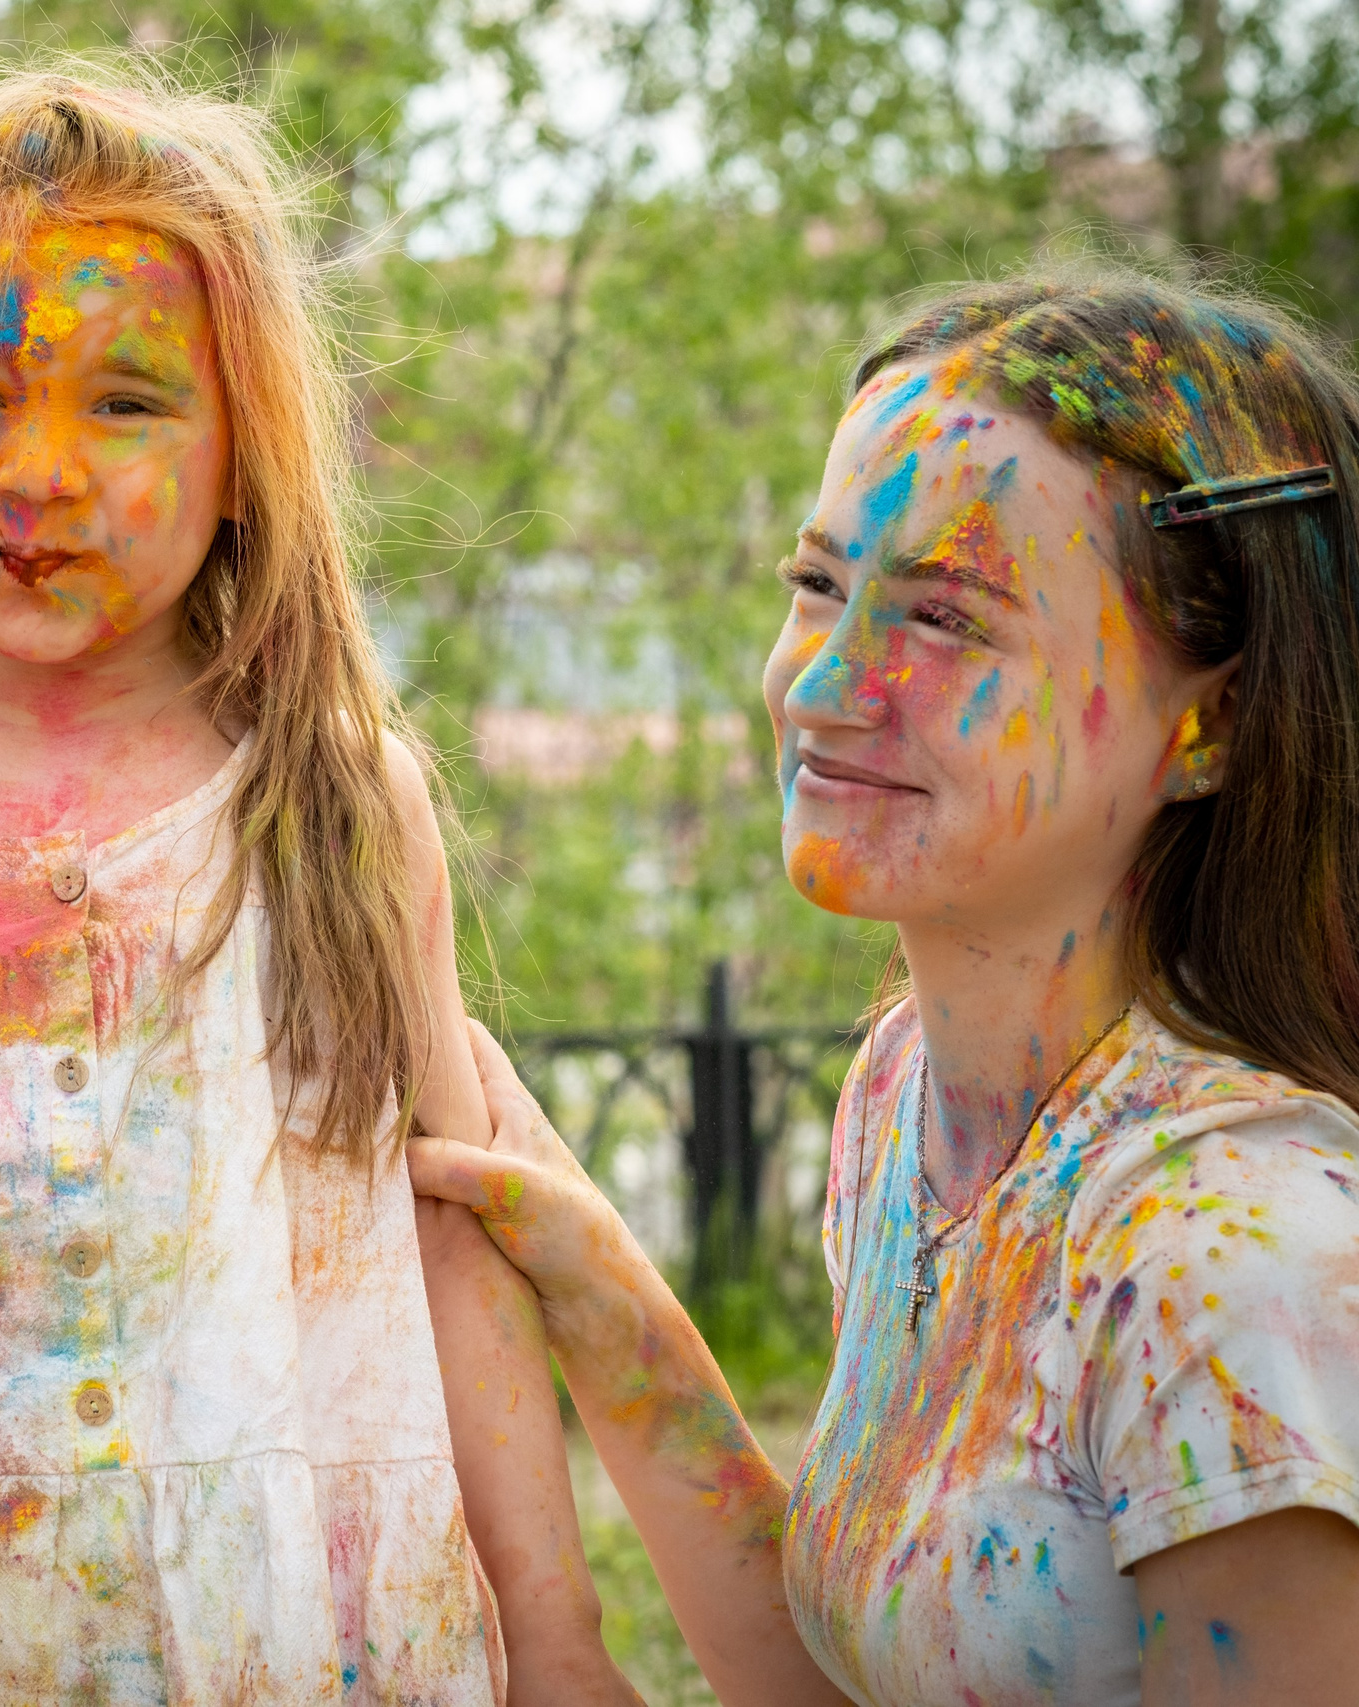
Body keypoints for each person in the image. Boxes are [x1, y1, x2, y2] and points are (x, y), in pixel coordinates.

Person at [0, 64, 634, 1704]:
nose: (36, 469)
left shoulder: (335, 805)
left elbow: (453, 1254)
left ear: (246, 451)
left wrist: (559, 1644)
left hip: (311, 1643)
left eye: (123, 402)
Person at [412, 263, 1359, 1705]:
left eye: (947, 618)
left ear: (1209, 723)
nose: (824, 681)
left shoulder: (1237, 1264)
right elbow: (859, 1678)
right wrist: (608, 1301)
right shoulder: (905, 1097)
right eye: (818, 584)